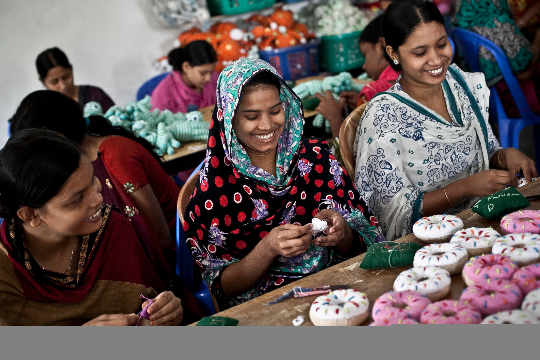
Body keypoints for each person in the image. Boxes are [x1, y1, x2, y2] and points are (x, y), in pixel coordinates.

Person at [184, 59, 385, 310]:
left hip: (341, 288)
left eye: (275, 111)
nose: (267, 125)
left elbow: (363, 242)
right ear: (228, 119)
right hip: (271, 307)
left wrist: (342, 233)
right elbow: (222, 287)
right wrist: (268, 248)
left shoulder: (316, 159)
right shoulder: (213, 193)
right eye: (251, 116)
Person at [353, 0, 537, 241]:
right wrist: (466, 187)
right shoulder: (383, 117)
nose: (437, 60)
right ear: (393, 53)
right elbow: (393, 212)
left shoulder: (459, 83)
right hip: (426, 241)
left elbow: (486, 149)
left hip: (481, 219)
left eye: (442, 44)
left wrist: (505, 156)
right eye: (420, 52)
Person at [0, 130, 192, 325]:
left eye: (92, 179)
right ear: (31, 214)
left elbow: (150, 308)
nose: (98, 198)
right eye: (77, 199)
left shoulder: (111, 229)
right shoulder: (4, 268)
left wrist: (167, 312)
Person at [10, 91, 180, 253]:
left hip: (176, 254)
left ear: (59, 139)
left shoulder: (116, 157)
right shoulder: (73, 169)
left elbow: (161, 239)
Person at [315, 14, 400, 138]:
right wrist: (362, 105)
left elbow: (356, 152)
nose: (364, 66)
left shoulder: (374, 91)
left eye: (365, 54)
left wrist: (335, 118)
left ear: (382, 47)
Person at [454, 0, 540, 116]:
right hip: (514, 101)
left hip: (489, 101)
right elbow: (524, 74)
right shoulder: (496, 22)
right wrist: (537, 42)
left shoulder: (464, 15)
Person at [36, 47, 115, 112]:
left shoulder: (95, 96)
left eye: (66, 77)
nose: (63, 86)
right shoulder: (43, 111)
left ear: (71, 69)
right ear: (43, 82)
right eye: (54, 82)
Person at [151, 41, 218, 113]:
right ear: (186, 67)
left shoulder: (216, 79)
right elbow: (157, 121)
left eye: (211, 72)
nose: (208, 78)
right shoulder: (164, 94)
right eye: (203, 73)